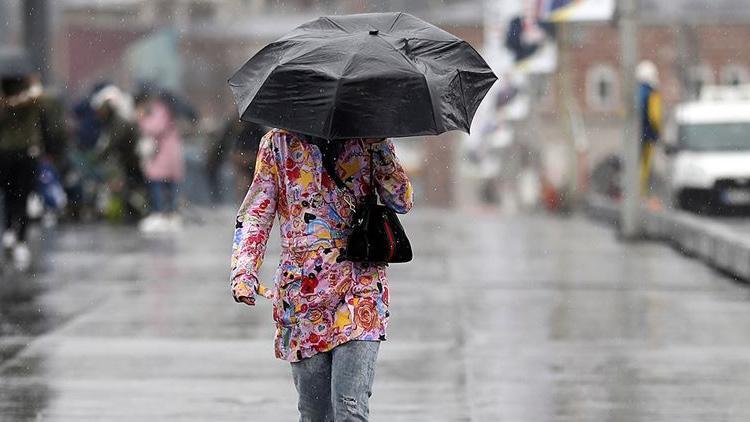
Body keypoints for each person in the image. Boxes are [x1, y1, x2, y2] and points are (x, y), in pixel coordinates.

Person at [230, 129, 413, 421]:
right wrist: (244, 272)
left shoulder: (368, 138)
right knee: (314, 412)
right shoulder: (278, 143)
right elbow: (257, 212)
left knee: (350, 408)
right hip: (303, 295)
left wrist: (380, 147)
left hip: (359, 287)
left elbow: (402, 200)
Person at [0, 70, 67, 270]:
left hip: (8, 154)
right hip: (26, 154)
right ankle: (18, 237)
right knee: (22, 196)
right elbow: (49, 124)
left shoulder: (15, 104)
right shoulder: (33, 103)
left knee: (10, 196)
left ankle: (11, 232)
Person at [135, 92, 185, 233]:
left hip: (162, 155)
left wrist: (141, 119)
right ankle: (170, 214)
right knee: (169, 186)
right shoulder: (171, 113)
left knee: (158, 183)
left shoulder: (159, 110)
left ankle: (161, 214)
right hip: (169, 155)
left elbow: (153, 128)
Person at [206, 118, 266, 203]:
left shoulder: (255, 129)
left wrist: (246, 158)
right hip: (233, 164)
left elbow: (260, 152)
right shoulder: (230, 128)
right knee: (227, 174)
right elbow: (220, 150)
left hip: (251, 165)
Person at [636, 60, 662, 198]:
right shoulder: (651, 93)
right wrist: (657, 133)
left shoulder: (636, 91)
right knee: (646, 166)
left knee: (638, 165)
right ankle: (642, 195)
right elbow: (655, 116)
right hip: (647, 134)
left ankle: (638, 194)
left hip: (636, 135)